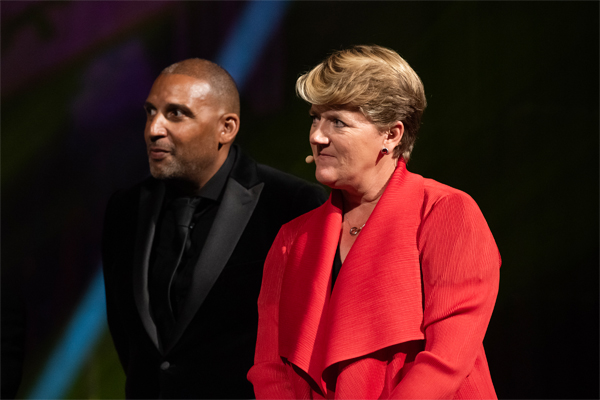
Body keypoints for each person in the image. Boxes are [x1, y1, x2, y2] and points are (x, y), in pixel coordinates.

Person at [248, 45, 501, 399]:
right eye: (315, 118)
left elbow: (447, 359)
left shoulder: (446, 210)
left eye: (337, 121)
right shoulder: (293, 238)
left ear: (392, 134)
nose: (317, 136)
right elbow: (269, 369)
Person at [101, 58, 327, 399]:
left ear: (227, 127)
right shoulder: (125, 208)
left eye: (176, 113)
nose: (153, 129)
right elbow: (127, 334)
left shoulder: (291, 204)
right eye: (150, 112)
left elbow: (307, 339)